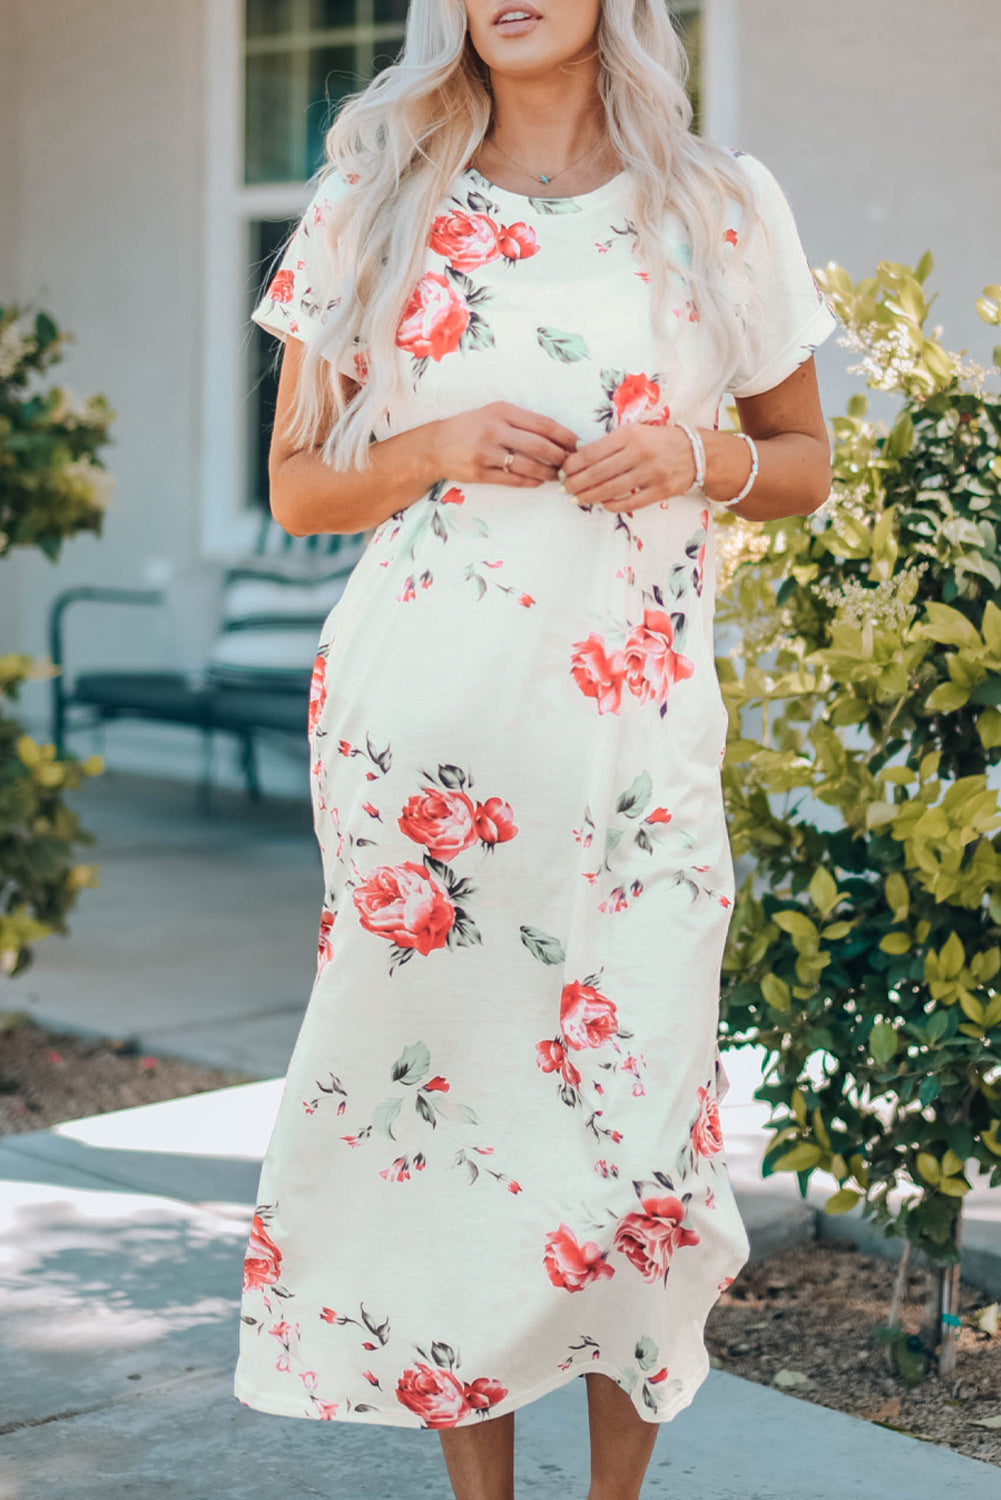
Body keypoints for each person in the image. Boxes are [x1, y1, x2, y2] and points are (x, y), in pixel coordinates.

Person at [234, 3, 837, 1497]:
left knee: (634, 1144)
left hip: (630, 735)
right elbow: (300, 492)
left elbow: (805, 464)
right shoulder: (372, 195)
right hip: (421, 747)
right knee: (453, 1125)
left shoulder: (717, 205)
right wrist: (434, 445)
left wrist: (696, 459)